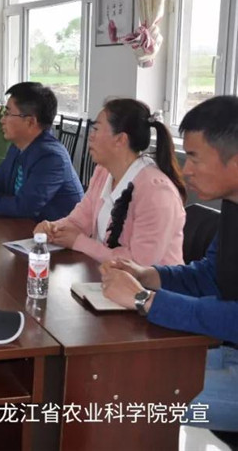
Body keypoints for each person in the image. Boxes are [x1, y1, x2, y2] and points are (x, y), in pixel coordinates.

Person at [100, 96, 238, 433]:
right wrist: (149, 276)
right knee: (112, 371)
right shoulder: (233, 206)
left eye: (194, 157)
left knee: (127, 398)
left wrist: (144, 300)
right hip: (229, 351)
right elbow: (211, 275)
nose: (186, 169)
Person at [35, 99, 186, 266]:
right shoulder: (104, 171)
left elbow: (140, 264)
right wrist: (53, 228)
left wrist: (79, 242)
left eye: (96, 129)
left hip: (145, 282)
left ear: (120, 139)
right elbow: (79, 220)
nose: (90, 136)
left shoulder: (156, 192)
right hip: (106, 274)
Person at [0, 82, 83, 221]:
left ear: (30, 121)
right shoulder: (18, 146)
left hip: (55, 231)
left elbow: (26, 207)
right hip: (26, 227)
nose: (2, 120)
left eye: (7, 113)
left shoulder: (51, 157)